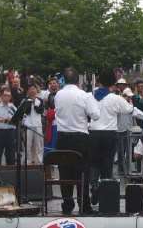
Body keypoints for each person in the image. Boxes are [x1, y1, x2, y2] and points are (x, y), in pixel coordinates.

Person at [88, 69, 143, 206]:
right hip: (109, 134)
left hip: (94, 133)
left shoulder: (89, 96)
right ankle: (105, 192)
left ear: (99, 81)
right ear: (113, 83)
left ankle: (94, 186)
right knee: (107, 163)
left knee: (94, 163)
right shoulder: (116, 99)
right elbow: (132, 110)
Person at [54, 67, 100, 215]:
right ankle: (84, 205)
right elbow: (95, 114)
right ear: (78, 80)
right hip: (80, 137)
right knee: (82, 171)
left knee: (65, 170)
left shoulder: (58, 95)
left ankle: (67, 204)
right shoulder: (84, 95)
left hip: (62, 137)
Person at [0, 88, 17, 165]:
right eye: (5, 95)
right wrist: (1, 119)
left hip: (10, 132)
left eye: (9, 96)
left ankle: (11, 173)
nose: (7, 97)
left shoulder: (13, 108)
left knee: (11, 154)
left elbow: (18, 120)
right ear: (1, 96)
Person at [23, 85, 44, 164]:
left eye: (33, 89)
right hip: (28, 125)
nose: (31, 91)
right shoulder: (25, 100)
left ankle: (39, 160)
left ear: (36, 90)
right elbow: (27, 112)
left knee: (39, 144)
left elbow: (40, 111)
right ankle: (28, 160)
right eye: (30, 89)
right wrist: (30, 102)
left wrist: (35, 104)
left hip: (38, 124)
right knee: (27, 144)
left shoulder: (40, 100)